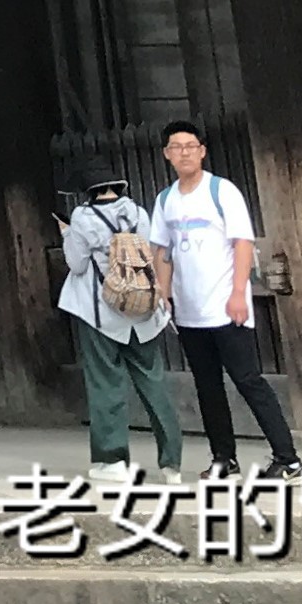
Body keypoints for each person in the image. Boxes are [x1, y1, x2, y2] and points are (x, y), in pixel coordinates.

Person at [155, 121, 298, 478]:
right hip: (190, 312)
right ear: (167, 154)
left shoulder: (222, 191)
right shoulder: (166, 200)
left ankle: (287, 457)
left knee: (248, 379)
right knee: (208, 386)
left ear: (202, 150)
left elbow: (243, 243)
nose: (184, 152)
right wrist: (164, 292)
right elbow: (163, 250)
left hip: (225, 304)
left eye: (191, 145)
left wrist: (239, 293)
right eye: (177, 146)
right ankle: (223, 457)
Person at [56, 170, 186, 489]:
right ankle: (172, 463)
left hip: (103, 313)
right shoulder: (138, 212)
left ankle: (112, 460)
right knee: (154, 383)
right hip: (143, 312)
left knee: (106, 384)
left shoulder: (83, 217)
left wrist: (66, 234)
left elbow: (77, 265)